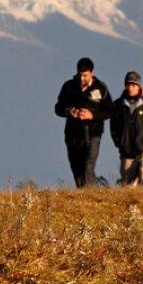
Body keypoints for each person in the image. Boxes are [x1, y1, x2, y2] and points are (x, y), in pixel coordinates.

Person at [54, 57, 112, 187]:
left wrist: (92, 115)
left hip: (94, 133)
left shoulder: (101, 88)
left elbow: (109, 111)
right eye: (80, 75)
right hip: (73, 134)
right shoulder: (68, 86)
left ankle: (91, 194)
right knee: (76, 166)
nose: (82, 79)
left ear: (92, 72)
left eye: (85, 75)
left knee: (88, 164)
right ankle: (83, 194)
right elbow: (57, 108)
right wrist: (68, 111)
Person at [111, 70, 143, 187]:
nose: (131, 88)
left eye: (134, 85)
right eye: (128, 85)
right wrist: (120, 143)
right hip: (127, 151)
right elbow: (113, 126)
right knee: (127, 185)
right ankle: (129, 206)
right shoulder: (117, 105)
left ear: (139, 86)